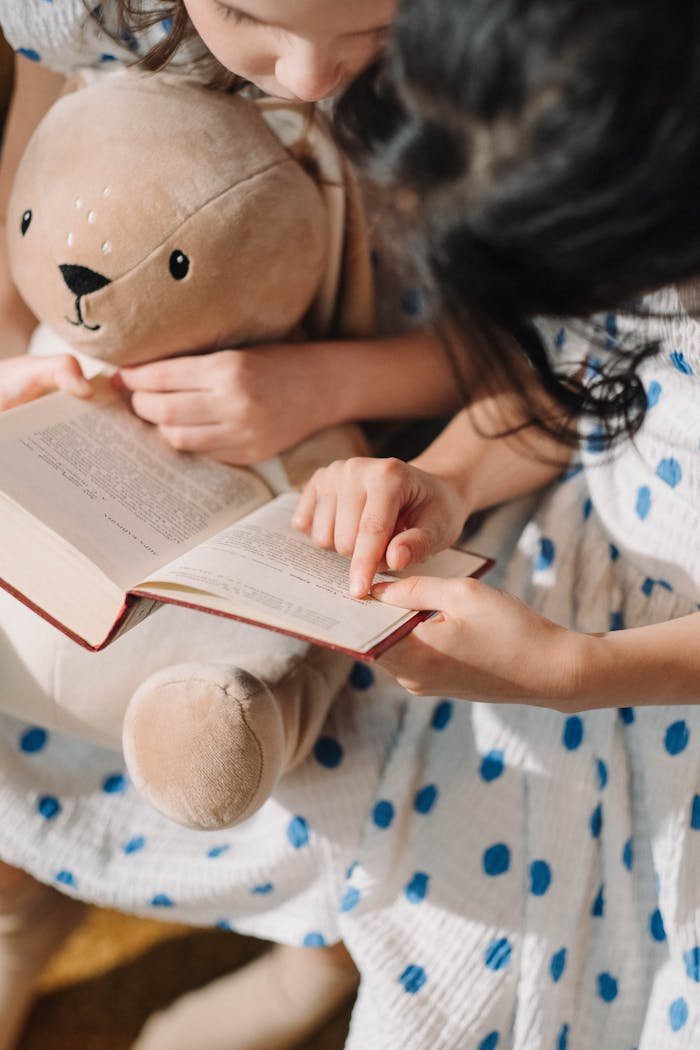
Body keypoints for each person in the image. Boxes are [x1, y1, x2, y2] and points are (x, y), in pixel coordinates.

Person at [0, 3, 455, 1049]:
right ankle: (22, 903)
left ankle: (322, 962)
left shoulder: (484, 74)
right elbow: (25, 190)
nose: (303, 77)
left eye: (368, 30)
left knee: (366, 710)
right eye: (248, 15)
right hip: (95, 401)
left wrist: (319, 385)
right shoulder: (91, 18)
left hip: (387, 434)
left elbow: (547, 355)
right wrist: (21, 354)